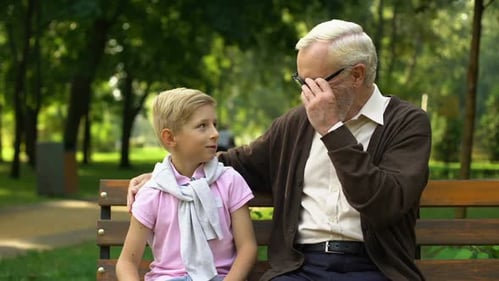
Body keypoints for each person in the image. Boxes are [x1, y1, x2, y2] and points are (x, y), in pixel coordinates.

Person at [128, 19, 431, 281]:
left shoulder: (407, 123)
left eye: (315, 82)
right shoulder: (296, 123)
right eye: (301, 81)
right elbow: (238, 163)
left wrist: (332, 131)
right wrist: (166, 175)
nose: (305, 93)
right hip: (301, 267)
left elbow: (385, 203)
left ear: (357, 75)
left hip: (376, 266)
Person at [117, 88, 257, 281]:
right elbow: (126, 263)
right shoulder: (152, 193)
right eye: (202, 126)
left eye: (214, 124)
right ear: (170, 138)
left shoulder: (229, 181)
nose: (215, 133)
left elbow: (247, 248)